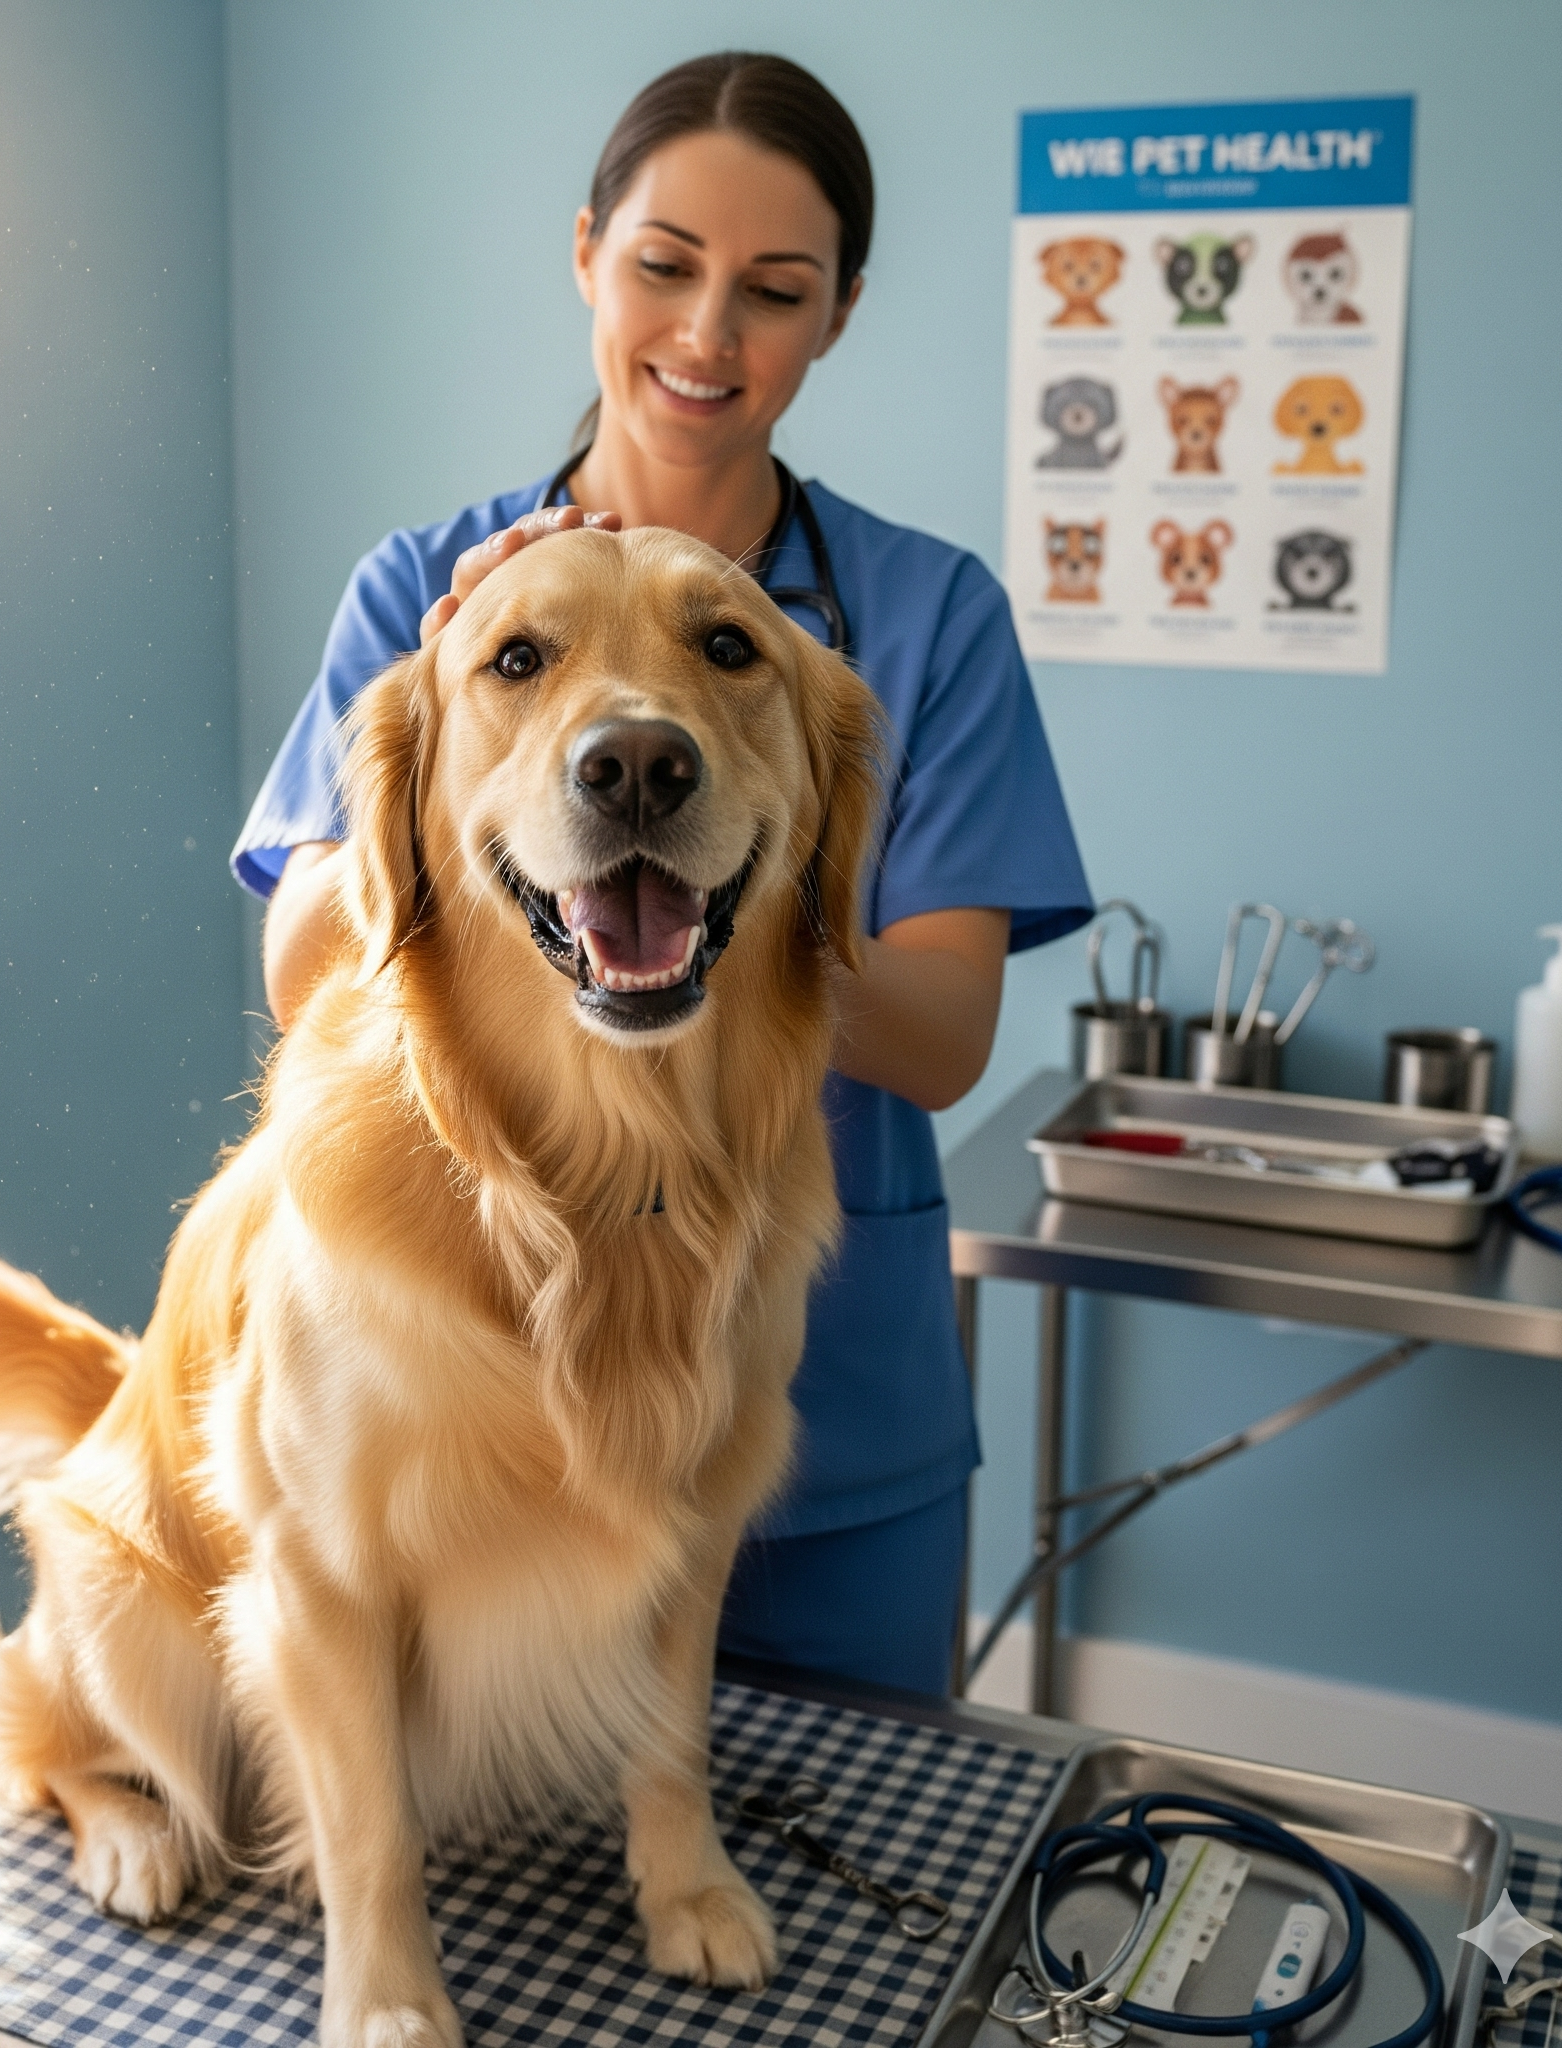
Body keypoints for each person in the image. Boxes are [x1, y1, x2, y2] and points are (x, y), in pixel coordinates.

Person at [232, 51, 1091, 1697]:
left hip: (828, 1414)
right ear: (586, 257)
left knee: (854, 1895)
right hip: (493, 1430)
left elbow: (939, 1037)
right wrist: (466, 715)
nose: (708, 337)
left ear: (837, 313)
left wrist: (714, 900)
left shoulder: (925, 619)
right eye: (664, 267)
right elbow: (299, 976)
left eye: (775, 290)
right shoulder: (424, 596)